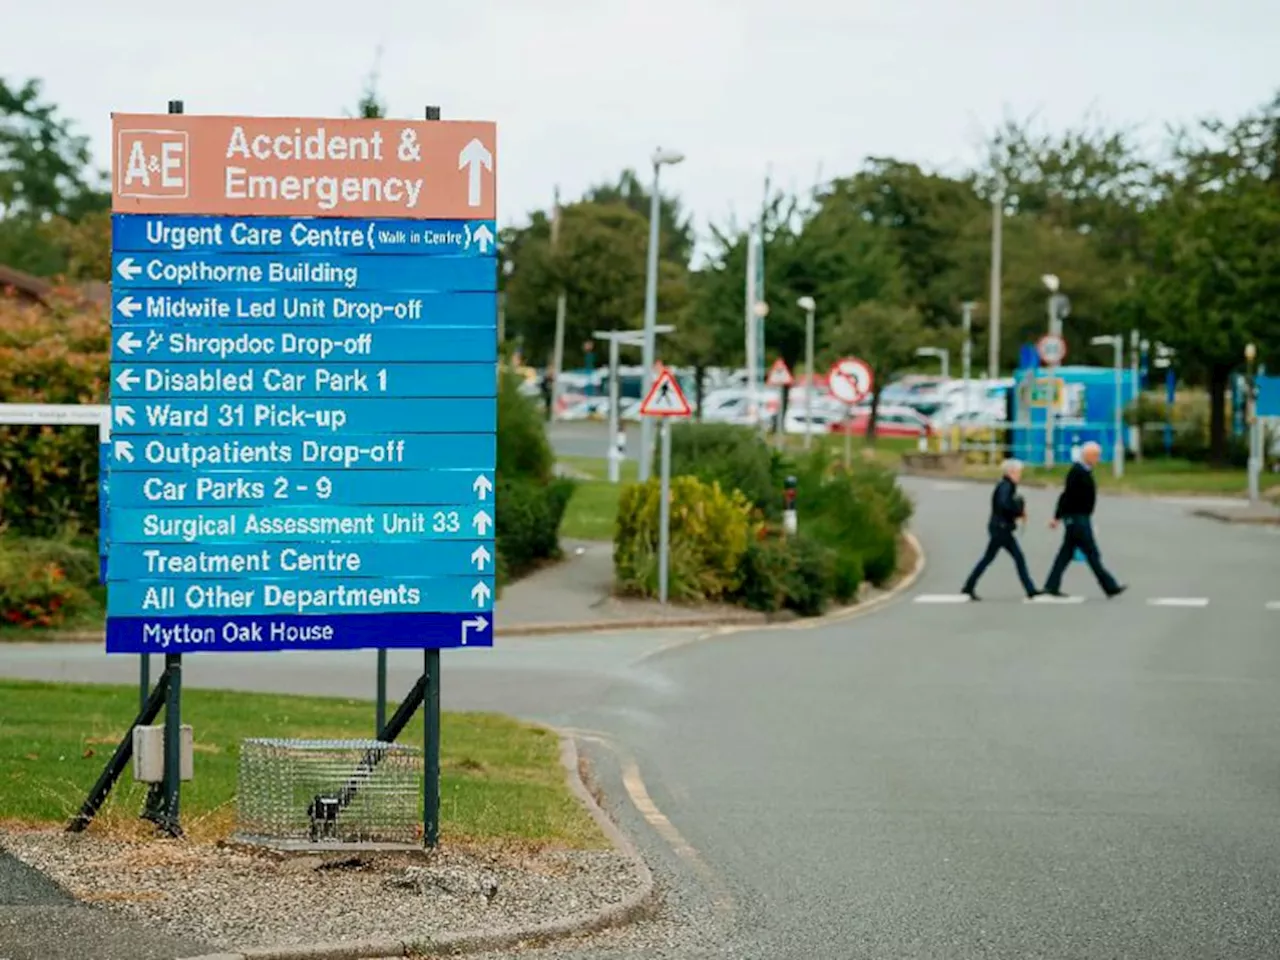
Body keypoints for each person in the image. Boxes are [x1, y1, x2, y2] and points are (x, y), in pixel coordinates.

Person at [1041, 441, 1127, 599]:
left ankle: (1051, 585)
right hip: (1077, 519)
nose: (1098, 459)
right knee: (1092, 553)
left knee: (1065, 554)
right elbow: (1066, 496)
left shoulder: (1084, 471)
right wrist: (1058, 516)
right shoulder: (1077, 472)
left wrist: (1059, 517)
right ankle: (1110, 586)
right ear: (1087, 455)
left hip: (1079, 518)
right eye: (1096, 455)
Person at [961, 458, 1040, 600]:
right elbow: (1004, 504)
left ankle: (969, 586)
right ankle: (1030, 589)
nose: (1019, 475)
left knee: (990, 558)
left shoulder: (1006, 485)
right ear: (1011, 472)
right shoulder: (1006, 486)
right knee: (1016, 558)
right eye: (1018, 472)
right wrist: (1017, 510)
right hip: (1001, 529)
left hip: (1000, 528)